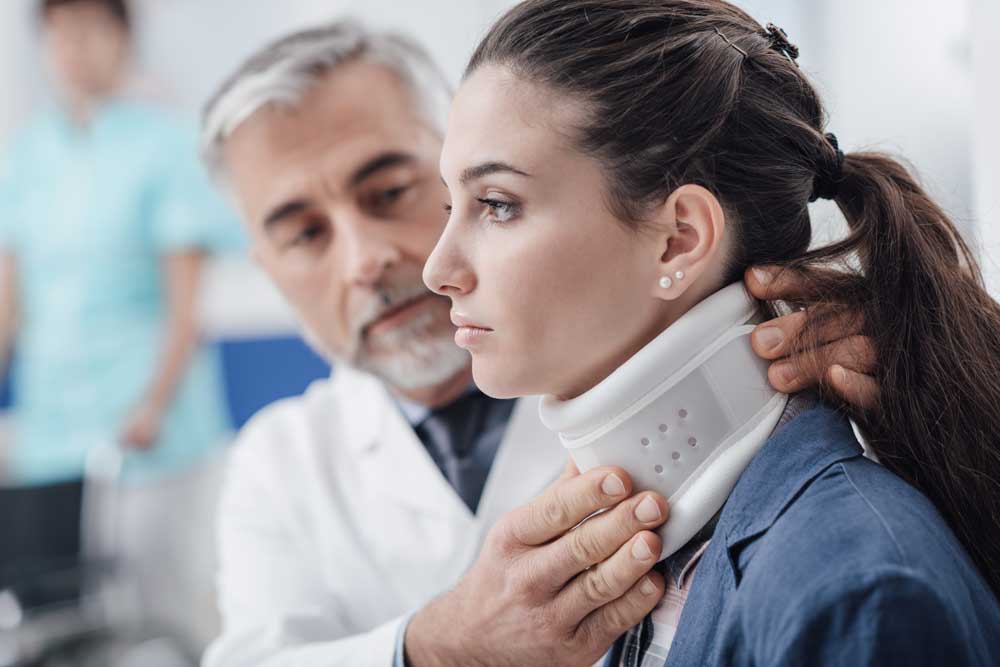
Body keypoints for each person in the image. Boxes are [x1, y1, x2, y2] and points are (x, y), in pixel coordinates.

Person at [199, 21, 876, 666]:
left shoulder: (790, 370)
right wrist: (435, 648)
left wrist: (915, 393)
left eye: (391, 191)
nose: (366, 260)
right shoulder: (279, 466)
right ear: (267, 269)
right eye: (305, 234)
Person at [421, 1, 1000, 665]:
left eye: (496, 205)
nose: (439, 269)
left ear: (680, 239)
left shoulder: (857, 591)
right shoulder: (647, 573)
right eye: (450, 206)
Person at [0, 0, 235, 487]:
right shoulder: (27, 155)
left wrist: (153, 406)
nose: (73, 49)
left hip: (149, 426)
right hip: (51, 421)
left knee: (147, 557)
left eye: (89, 31)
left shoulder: (166, 144)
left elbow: (185, 305)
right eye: (60, 33)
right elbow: (8, 298)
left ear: (123, 40)